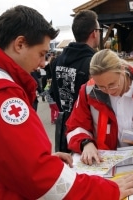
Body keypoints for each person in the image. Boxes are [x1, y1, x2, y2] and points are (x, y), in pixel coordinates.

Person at [0, 5, 133, 199]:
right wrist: (108, 190)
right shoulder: (2, 91)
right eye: (41, 53)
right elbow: (37, 175)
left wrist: (39, 158)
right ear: (19, 44)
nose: (43, 63)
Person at [65, 49, 133, 165]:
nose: (107, 91)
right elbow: (75, 126)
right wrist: (86, 143)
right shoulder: (88, 92)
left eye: (112, 84)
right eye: (101, 86)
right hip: (105, 162)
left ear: (123, 70)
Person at [51, 10, 101, 152]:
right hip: (87, 133)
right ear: (94, 33)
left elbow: (54, 93)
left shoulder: (57, 61)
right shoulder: (94, 63)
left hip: (64, 128)